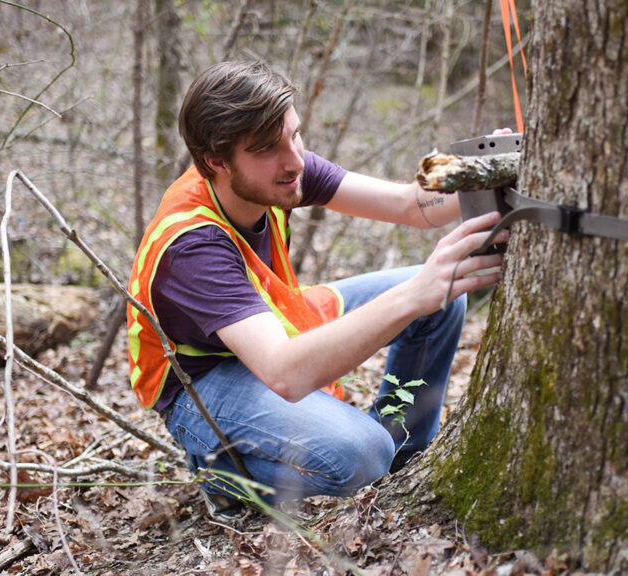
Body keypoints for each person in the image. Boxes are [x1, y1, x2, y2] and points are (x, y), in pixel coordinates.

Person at [127, 60, 506, 516]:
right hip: (204, 381)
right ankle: (221, 470)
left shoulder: (276, 171)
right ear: (216, 161)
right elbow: (286, 373)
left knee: (443, 298)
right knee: (360, 454)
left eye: (295, 134)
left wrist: (483, 172)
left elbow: (412, 205)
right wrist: (413, 294)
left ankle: (404, 457)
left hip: (274, 322)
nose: (294, 160)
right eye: (268, 148)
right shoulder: (194, 245)